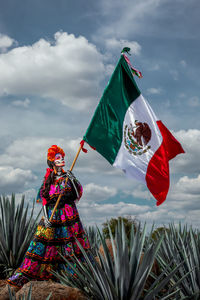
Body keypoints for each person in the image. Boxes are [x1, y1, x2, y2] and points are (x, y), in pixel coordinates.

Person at [7, 145, 90, 288]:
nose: (62, 159)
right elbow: (44, 201)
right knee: (43, 244)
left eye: (62, 157)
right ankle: (34, 276)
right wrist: (46, 218)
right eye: (58, 158)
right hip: (51, 215)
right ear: (52, 161)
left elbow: (77, 193)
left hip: (68, 215)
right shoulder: (48, 180)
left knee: (69, 245)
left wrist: (72, 178)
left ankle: (74, 278)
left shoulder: (68, 177)